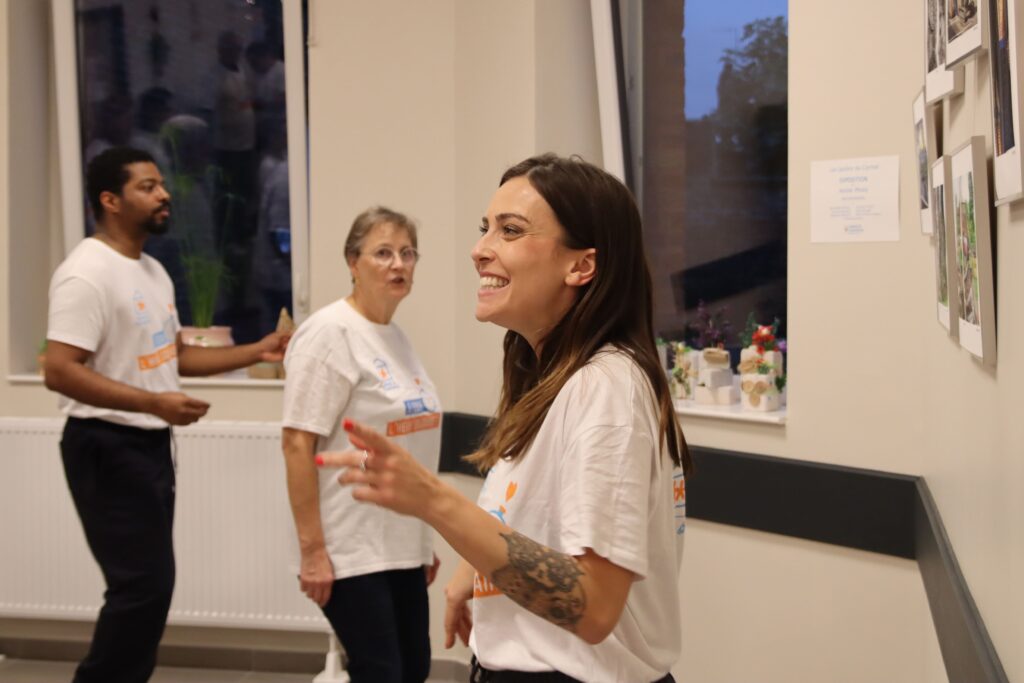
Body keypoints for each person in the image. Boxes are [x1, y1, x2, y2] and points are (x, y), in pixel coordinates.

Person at [317, 154, 690, 682]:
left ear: (581, 266)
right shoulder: (553, 376)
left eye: (510, 231)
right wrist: (473, 572)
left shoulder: (605, 388)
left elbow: (594, 605)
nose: (479, 250)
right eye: (485, 228)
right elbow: (531, 514)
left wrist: (432, 499)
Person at [44, 146, 290, 683]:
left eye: (161, 185)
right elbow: (59, 371)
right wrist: (154, 402)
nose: (164, 195)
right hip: (105, 445)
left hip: (149, 445)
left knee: (150, 588)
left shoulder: (151, 271)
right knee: (141, 588)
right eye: (147, 186)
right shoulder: (85, 274)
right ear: (110, 200)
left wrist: (258, 350)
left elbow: (173, 356)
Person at [281, 207, 442, 683]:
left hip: (401, 544)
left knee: (413, 670)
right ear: (353, 262)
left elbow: (411, 447)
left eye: (408, 253)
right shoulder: (329, 333)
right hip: (349, 546)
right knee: (382, 673)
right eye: (383, 253)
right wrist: (312, 550)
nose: (399, 264)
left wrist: (424, 539)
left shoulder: (395, 337)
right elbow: (296, 444)